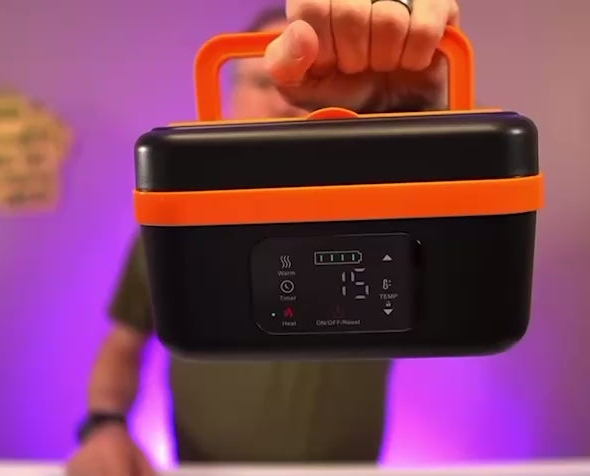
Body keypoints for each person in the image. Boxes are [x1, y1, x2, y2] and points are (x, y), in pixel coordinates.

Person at [66, 0, 458, 474]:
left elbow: (454, 248)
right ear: (230, 96)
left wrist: (418, 120)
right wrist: (105, 426)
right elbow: (124, 344)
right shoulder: (177, 229)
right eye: (263, 82)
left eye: (309, 83)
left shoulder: (381, 212)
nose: (284, 99)